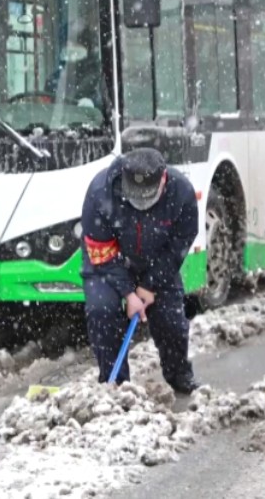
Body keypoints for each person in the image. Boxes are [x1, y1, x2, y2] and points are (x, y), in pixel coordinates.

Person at [80, 147, 200, 393]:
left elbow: (181, 242)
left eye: (146, 199)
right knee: (102, 311)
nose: (141, 206)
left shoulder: (181, 192)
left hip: (157, 262)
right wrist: (128, 293)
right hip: (108, 262)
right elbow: (100, 250)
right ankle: (116, 386)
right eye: (134, 198)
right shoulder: (100, 191)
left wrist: (149, 284)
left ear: (162, 180)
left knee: (172, 324)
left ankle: (179, 376)